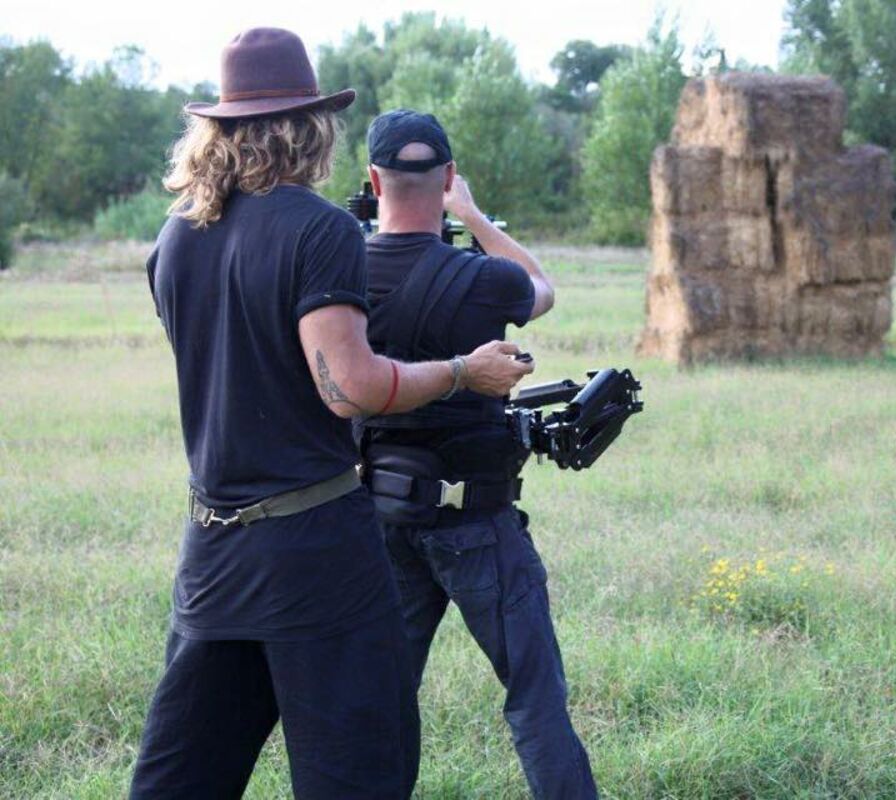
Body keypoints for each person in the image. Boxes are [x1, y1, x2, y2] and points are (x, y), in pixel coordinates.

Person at [129, 30, 531, 799]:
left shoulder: (175, 236)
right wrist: (461, 372)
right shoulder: (320, 228)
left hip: (212, 548)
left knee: (183, 777)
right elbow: (349, 388)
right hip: (315, 552)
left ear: (219, 127)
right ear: (310, 124)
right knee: (358, 772)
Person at [357, 109, 597, 799]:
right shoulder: (484, 278)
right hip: (476, 520)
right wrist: (474, 215)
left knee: (380, 704)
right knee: (534, 696)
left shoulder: (338, 278)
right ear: (448, 179)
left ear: (374, 181)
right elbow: (541, 289)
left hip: (378, 517)